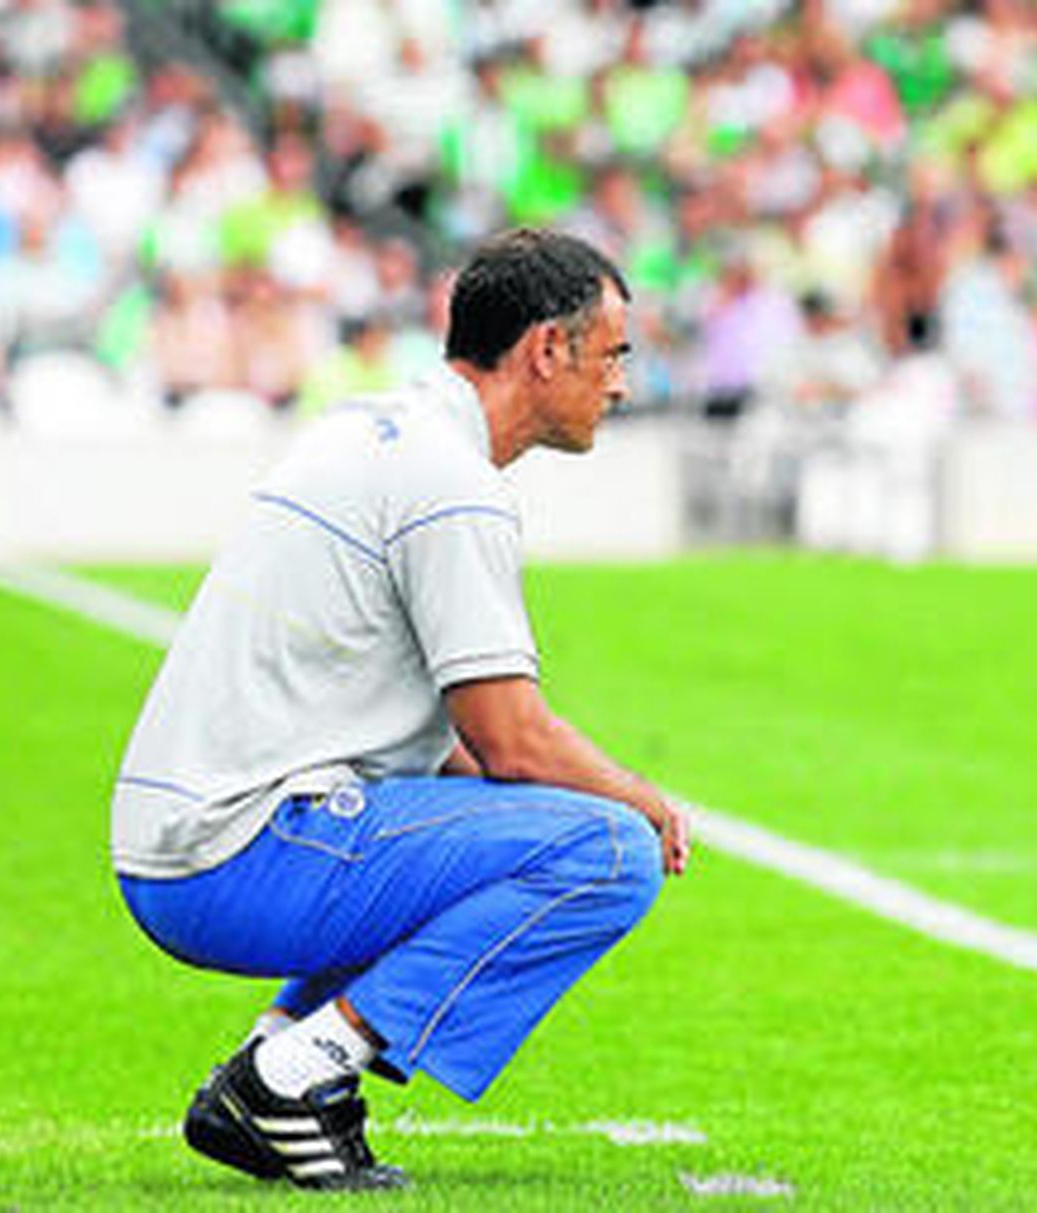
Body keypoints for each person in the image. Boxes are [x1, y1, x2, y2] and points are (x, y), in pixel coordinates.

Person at [111, 229, 690, 1191]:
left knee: (528, 829)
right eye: (615, 352)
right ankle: (284, 1080)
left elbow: (452, 755)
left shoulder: (374, 427)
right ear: (549, 349)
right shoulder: (451, 484)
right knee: (609, 851)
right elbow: (507, 738)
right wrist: (643, 799)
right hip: (231, 856)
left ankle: (279, 1059)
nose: (622, 382)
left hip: (187, 839)